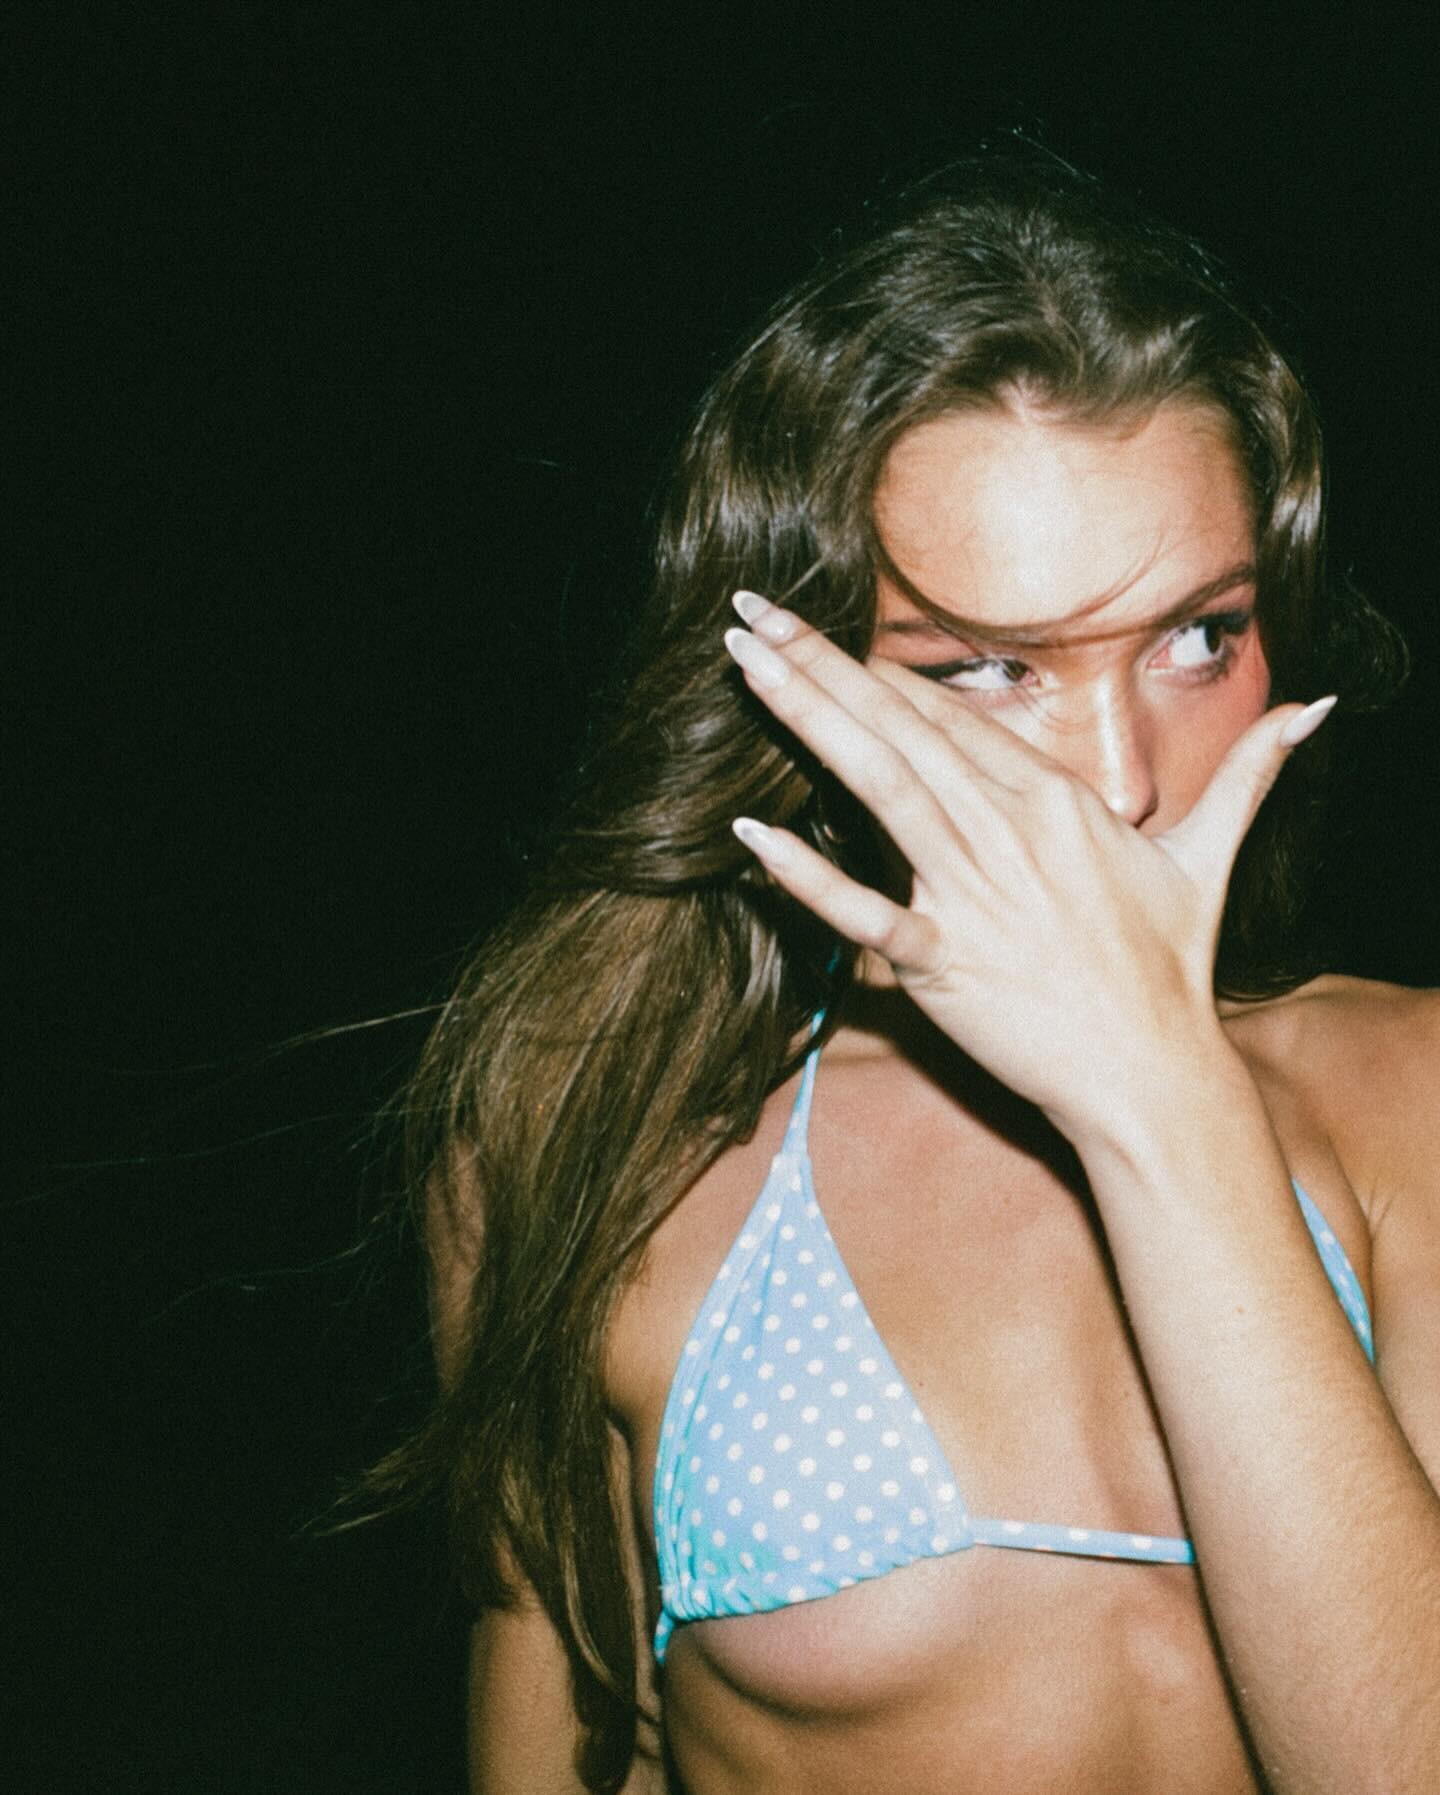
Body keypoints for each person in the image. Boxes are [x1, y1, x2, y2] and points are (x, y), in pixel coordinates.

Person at [401, 155, 1440, 1792]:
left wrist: (1163, 1104)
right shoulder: (604, 1134)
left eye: (1198, 636)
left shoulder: (1411, 1098)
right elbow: (560, 1734)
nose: (1117, 783)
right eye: (987, 669)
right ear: (800, 683)